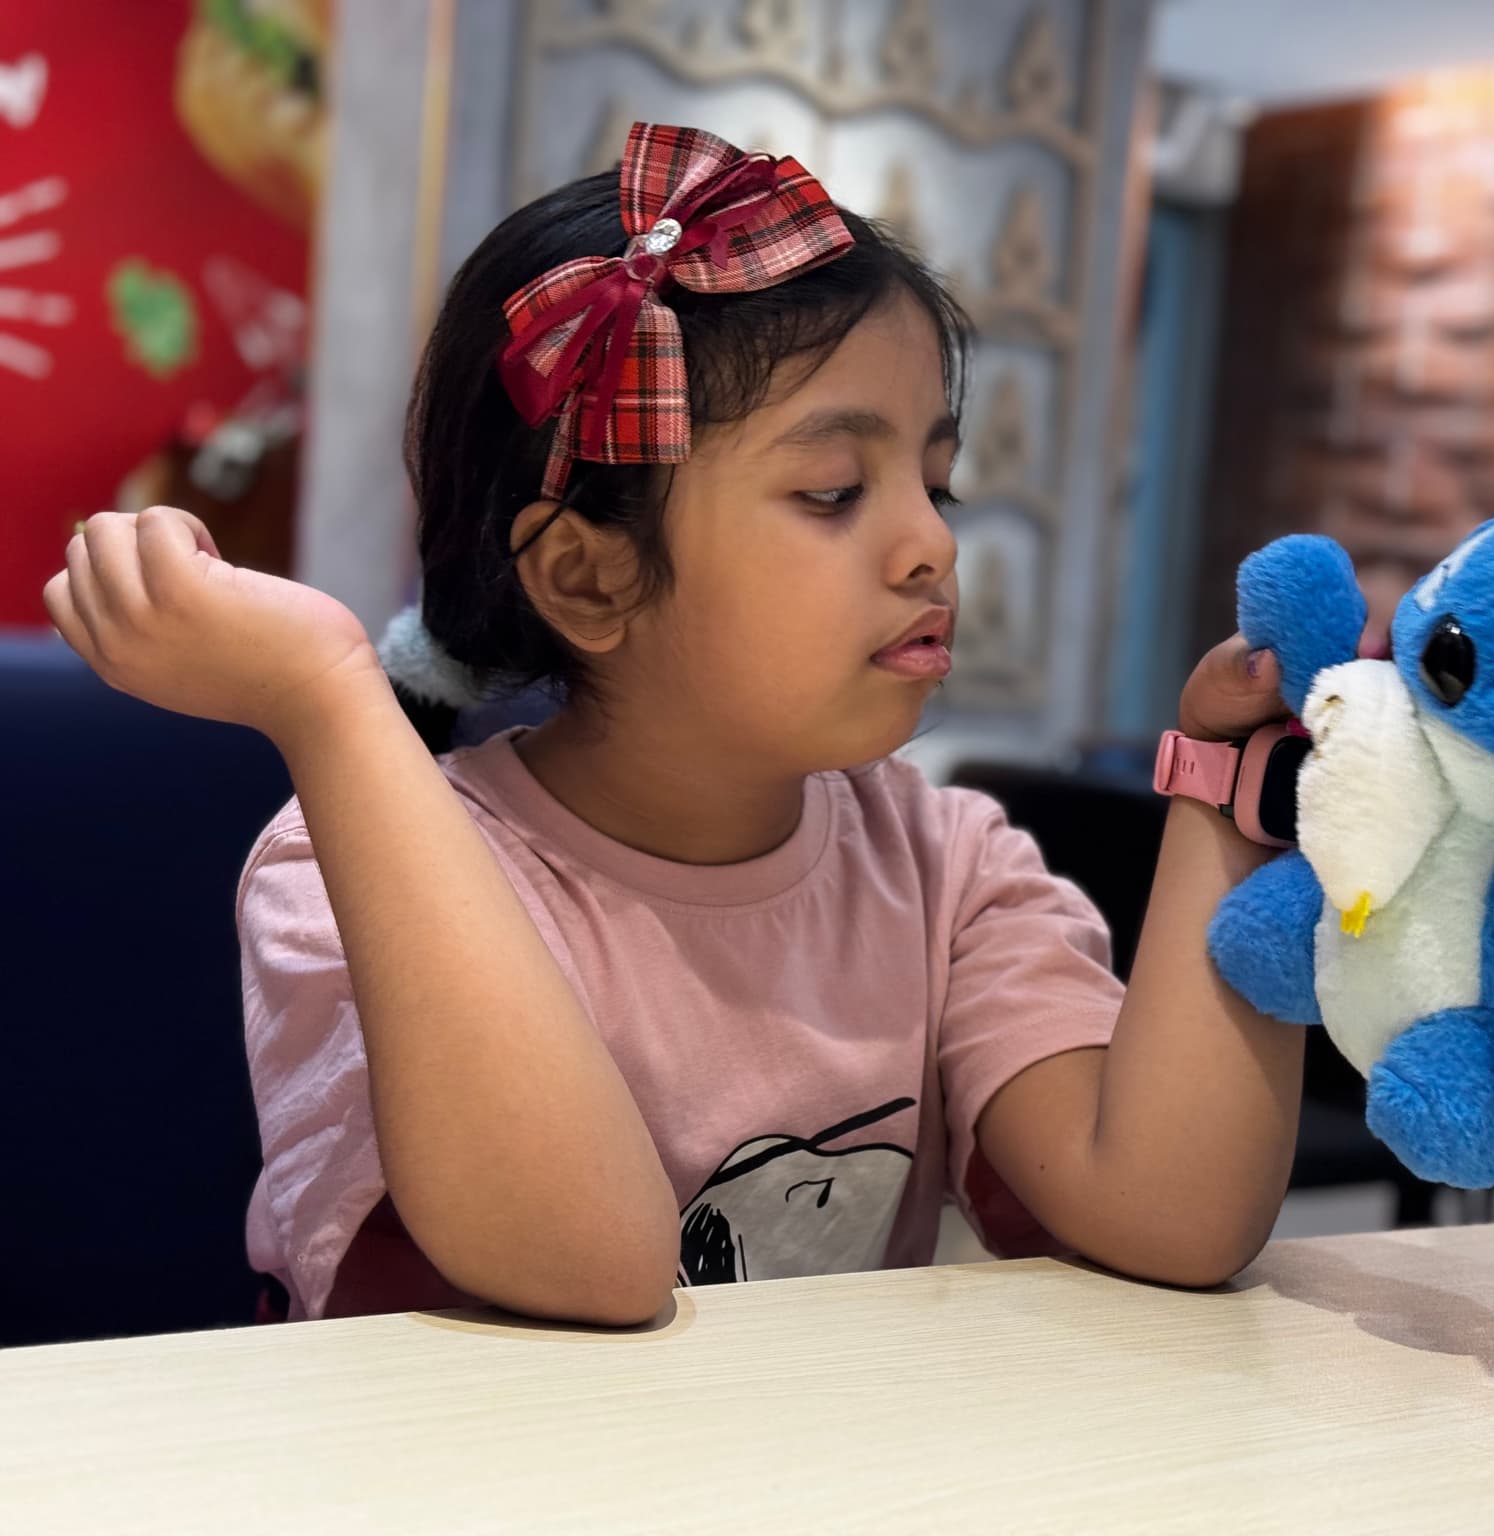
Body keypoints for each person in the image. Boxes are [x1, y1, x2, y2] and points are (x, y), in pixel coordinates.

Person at [42, 124, 1305, 1327]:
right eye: (832, 491)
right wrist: (329, 698)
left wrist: (1225, 785)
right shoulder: (343, 869)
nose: (931, 545)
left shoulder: (947, 866)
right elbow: (590, 1265)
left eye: (937, 478)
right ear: (591, 579)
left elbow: (1171, 1216)